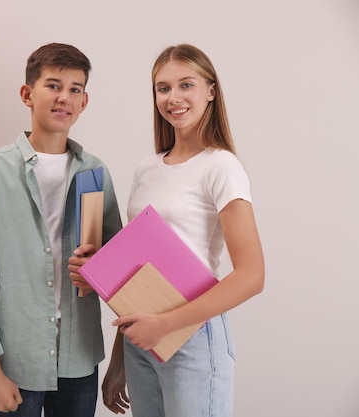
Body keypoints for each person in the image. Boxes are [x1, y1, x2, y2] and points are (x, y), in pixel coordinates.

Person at [101, 44, 265, 417]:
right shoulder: (147, 170)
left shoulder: (221, 167)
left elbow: (253, 276)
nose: (173, 98)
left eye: (185, 85)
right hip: (140, 338)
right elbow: (136, 274)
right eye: (162, 88)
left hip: (193, 335)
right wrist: (120, 357)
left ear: (211, 91)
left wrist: (165, 325)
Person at [0, 42, 122, 417]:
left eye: (75, 89)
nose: (64, 97)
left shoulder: (95, 173)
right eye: (53, 85)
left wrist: (99, 269)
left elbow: (119, 265)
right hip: (16, 359)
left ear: (84, 102)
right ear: (27, 94)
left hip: (80, 356)